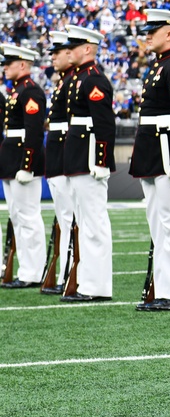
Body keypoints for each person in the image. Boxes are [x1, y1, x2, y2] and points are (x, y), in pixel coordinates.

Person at [130, 9, 170, 312]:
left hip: (169, 151)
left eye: (153, 30)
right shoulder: (160, 66)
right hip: (153, 149)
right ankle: (163, 287)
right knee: (158, 222)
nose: (147, 36)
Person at [60, 26, 115, 303]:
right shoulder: (80, 78)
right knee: (84, 221)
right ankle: (87, 282)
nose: (69, 50)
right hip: (78, 155)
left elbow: (104, 123)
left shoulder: (93, 79)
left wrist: (102, 160)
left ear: (89, 48)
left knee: (93, 222)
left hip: (89, 157)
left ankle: (97, 286)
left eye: (74, 46)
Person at [0, 44, 47, 288]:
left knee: (28, 217)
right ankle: (27, 270)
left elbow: (34, 131)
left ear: (22, 64)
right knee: (18, 217)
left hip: (22, 160)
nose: (4, 67)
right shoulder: (17, 90)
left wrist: (27, 165)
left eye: (8, 63)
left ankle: (33, 272)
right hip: (11, 159)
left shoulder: (30, 91)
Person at [41, 31, 75, 295]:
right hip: (58, 154)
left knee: (70, 217)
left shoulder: (73, 81)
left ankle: (70, 273)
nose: (53, 56)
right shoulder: (64, 82)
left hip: (67, 154)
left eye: (58, 52)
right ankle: (66, 272)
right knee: (64, 218)